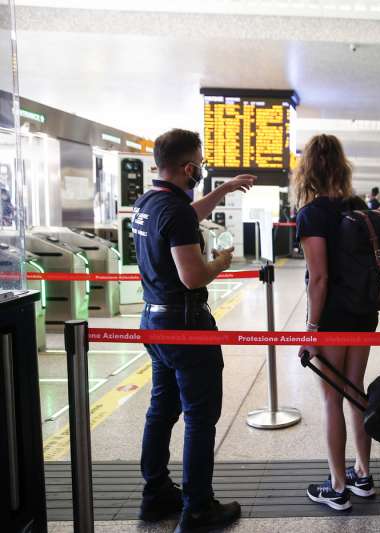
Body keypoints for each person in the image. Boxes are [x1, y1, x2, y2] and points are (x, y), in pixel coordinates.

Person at [133, 129, 255, 532]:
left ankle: (155, 495)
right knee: (200, 417)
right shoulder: (175, 211)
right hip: (185, 326)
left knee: (161, 409)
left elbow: (185, 218)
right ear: (189, 167)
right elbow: (192, 276)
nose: (200, 170)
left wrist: (223, 191)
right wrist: (220, 262)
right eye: (199, 164)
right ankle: (198, 507)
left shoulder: (149, 203)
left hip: (153, 321)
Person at [295, 134, 377, 511]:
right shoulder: (357, 205)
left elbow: (320, 279)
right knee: (356, 391)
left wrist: (311, 329)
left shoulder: (313, 214)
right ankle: (363, 474)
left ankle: (338, 486)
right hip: (363, 313)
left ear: (308, 168)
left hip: (333, 318)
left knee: (331, 399)